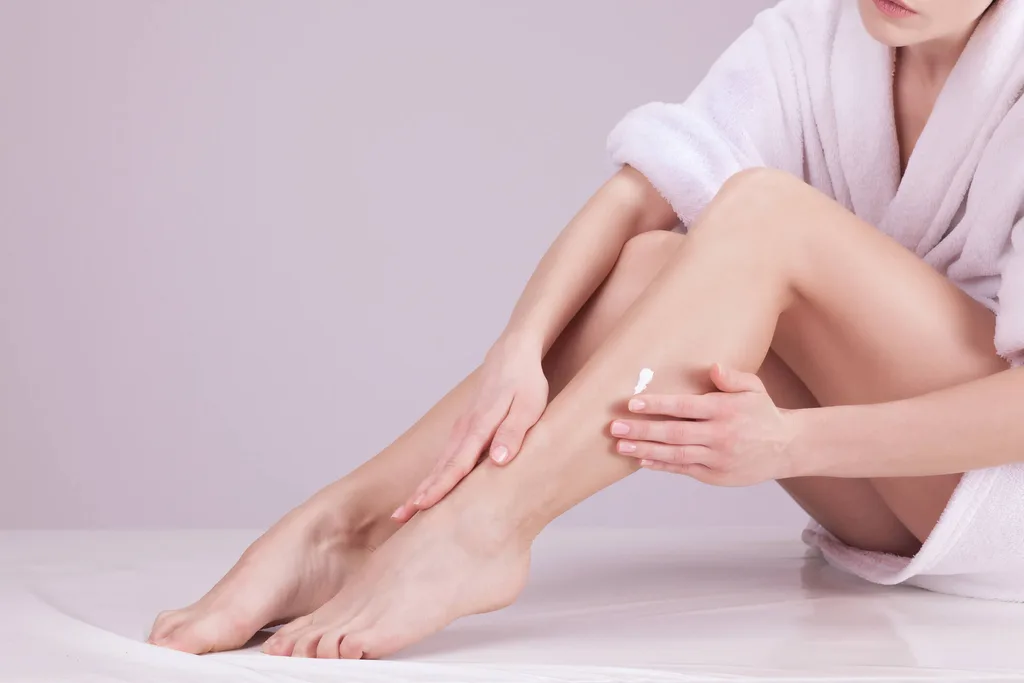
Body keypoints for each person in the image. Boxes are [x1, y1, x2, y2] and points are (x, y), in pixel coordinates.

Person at [148, 0, 1024, 660]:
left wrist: (794, 440)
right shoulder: (821, 34)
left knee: (763, 213)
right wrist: (518, 348)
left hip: (1000, 502)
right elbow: (643, 189)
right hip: (888, 492)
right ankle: (344, 523)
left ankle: (481, 531)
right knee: (652, 263)